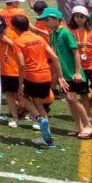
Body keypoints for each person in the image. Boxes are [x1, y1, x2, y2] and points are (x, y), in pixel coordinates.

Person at [12, 14, 65, 148]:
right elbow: (55, 57)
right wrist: (60, 77)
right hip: (46, 75)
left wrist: (20, 85)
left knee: (23, 98)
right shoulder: (39, 38)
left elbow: (22, 65)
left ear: (14, 28)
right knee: (39, 104)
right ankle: (48, 140)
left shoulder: (18, 42)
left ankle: (39, 119)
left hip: (31, 76)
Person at [43, 7, 92, 139]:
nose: (45, 22)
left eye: (47, 19)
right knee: (70, 101)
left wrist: (77, 72)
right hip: (64, 76)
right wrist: (58, 77)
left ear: (56, 20)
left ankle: (88, 125)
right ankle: (79, 127)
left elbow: (76, 52)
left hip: (73, 74)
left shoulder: (65, 33)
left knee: (72, 99)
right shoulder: (52, 34)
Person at [67, 7, 92, 121]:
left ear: (86, 18)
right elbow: (66, 48)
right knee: (83, 92)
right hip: (78, 66)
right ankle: (88, 116)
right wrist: (74, 46)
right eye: (76, 16)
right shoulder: (70, 32)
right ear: (73, 17)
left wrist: (91, 46)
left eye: (82, 16)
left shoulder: (91, 32)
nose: (79, 19)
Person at [0, 14, 23, 127]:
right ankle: (15, 117)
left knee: (21, 94)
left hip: (16, 70)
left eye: (1, 28)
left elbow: (21, 49)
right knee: (9, 94)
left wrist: (8, 41)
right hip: (4, 70)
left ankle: (29, 113)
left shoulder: (14, 34)